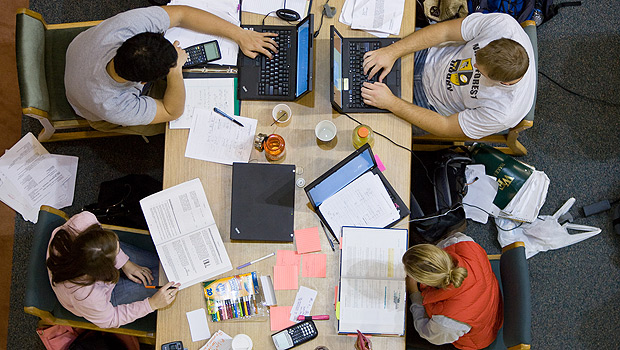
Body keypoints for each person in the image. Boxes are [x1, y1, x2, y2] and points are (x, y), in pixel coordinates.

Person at [65, 6, 278, 136]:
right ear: (145, 82)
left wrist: (240, 35)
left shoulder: (127, 28)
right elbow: (171, 111)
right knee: (172, 127)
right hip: (87, 105)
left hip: (81, 52)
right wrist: (175, 71)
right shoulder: (114, 106)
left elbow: (182, 13)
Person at [361, 13, 536, 140]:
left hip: (429, 105)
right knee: (363, 44)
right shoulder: (503, 25)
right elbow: (445, 31)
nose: (473, 66)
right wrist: (392, 51)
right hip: (428, 53)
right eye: (477, 57)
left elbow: (445, 126)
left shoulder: (503, 112)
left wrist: (391, 103)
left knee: (362, 120)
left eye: (480, 71)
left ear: (503, 82)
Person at [46, 211, 179, 329]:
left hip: (94, 265)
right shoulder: (87, 296)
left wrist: (125, 263)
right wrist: (151, 304)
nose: (118, 253)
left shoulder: (84, 221)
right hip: (101, 297)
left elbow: (111, 249)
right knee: (168, 281)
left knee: (168, 263)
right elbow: (110, 320)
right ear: (104, 271)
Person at [401, 232, 503, 350]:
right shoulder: (462, 242)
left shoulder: (446, 323)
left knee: (405, 333)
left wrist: (414, 292)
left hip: (478, 336)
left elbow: (426, 332)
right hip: (487, 298)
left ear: (425, 282)